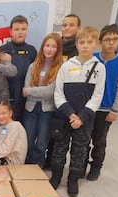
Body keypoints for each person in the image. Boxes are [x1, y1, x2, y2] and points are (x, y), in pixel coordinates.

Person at [50, 26, 106, 197]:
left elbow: (97, 97)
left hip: (85, 120)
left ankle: (73, 180)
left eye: (89, 42)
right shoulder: (67, 66)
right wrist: (69, 113)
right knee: (59, 148)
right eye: (82, 42)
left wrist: (81, 117)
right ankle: (56, 176)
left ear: (96, 44)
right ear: (76, 44)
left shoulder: (99, 68)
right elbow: (58, 93)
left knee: (79, 151)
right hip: (65, 117)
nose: (85, 46)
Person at [86, 24, 118, 181]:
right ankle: (81, 164)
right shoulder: (93, 58)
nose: (111, 43)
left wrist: (115, 110)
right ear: (100, 41)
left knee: (99, 140)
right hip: (89, 107)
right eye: (107, 39)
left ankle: (96, 167)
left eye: (115, 39)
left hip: (105, 109)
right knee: (84, 138)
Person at [44, 14, 81, 169]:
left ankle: (73, 168)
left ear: (78, 28)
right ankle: (51, 161)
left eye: (71, 25)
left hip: (73, 99)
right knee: (55, 133)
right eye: (64, 25)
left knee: (73, 138)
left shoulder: (79, 50)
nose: (67, 28)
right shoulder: (57, 47)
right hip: (54, 98)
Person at [22, 33, 63, 168]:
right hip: (30, 109)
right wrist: (33, 92)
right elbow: (25, 91)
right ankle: (26, 167)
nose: (49, 49)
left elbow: (51, 92)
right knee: (27, 141)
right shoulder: (33, 66)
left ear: (58, 50)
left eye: (53, 46)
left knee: (41, 143)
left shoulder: (60, 68)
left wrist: (31, 91)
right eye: (47, 45)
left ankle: (37, 167)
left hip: (47, 110)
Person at [0, 15, 37, 123]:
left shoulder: (32, 51)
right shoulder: (2, 50)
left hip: (25, 95)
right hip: (7, 93)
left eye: (23, 29)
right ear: (10, 31)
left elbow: (36, 73)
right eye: (16, 29)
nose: (20, 32)